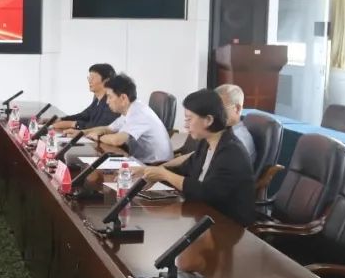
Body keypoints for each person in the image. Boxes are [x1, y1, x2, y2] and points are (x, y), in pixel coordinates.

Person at [138, 89, 256, 226]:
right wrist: (148, 171)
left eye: (189, 119)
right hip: (202, 215)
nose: (185, 125)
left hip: (226, 225)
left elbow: (207, 192)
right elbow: (184, 170)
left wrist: (164, 175)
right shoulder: (206, 143)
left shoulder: (232, 153)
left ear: (208, 120)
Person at [81, 74, 174, 164]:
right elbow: (108, 129)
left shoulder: (138, 113)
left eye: (109, 97)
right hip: (143, 161)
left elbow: (117, 140)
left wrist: (98, 137)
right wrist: (82, 133)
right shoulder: (131, 108)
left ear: (123, 98)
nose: (107, 101)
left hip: (156, 166)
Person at [52, 63, 119, 131]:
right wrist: (61, 119)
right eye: (89, 78)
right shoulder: (97, 100)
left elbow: (100, 126)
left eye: (93, 78)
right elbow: (83, 115)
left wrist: (73, 124)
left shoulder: (112, 101)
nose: (89, 81)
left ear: (106, 81)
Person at [214, 83, 256, 165]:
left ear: (237, 108)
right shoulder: (221, 132)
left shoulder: (238, 140)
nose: (214, 113)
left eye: (220, 108)